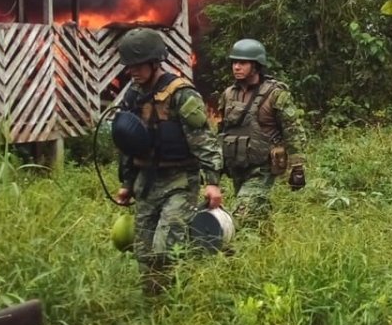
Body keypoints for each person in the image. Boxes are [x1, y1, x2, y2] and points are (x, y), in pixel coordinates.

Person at [110, 28, 223, 293]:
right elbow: (128, 145)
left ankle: (177, 298)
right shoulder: (132, 95)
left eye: (138, 65)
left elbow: (204, 140)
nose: (133, 72)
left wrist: (213, 182)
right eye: (129, 66)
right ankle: (154, 301)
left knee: (166, 247)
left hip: (179, 182)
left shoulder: (181, 93)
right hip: (146, 183)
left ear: (154, 62)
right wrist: (127, 183)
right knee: (143, 251)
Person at [217, 39, 307, 227]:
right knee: (256, 216)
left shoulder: (275, 94)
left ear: (256, 65)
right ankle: (269, 239)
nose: (236, 67)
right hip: (237, 165)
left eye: (243, 63)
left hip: (262, 167)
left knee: (242, 213)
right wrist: (218, 164)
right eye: (234, 62)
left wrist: (297, 167)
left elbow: (293, 131)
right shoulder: (228, 94)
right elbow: (222, 130)